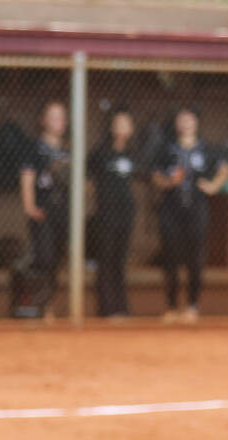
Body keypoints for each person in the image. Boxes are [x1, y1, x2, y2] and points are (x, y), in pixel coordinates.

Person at [151, 105, 228, 323]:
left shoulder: (206, 149)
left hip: (196, 209)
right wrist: (169, 182)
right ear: (176, 123)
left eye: (190, 119)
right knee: (171, 258)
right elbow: (156, 176)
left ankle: (193, 305)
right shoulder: (166, 149)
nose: (186, 123)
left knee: (195, 259)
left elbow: (224, 168)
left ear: (196, 122)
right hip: (171, 209)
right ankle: (171, 306)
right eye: (181, 119)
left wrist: (213, 186)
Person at [19, 100, 71, 319]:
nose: (57, 121)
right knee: (44, 258)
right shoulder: (34, 148)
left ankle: (49, 304)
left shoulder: (68, 149)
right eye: (52, 116)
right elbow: (27, 177)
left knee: (58, 259)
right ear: (42, 121)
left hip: (64, 210)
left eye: (61, 117)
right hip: (43, 209)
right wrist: (30, 206)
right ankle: (40, 305)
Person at [87, 109, 138, 318]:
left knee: (120, 260)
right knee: (105, 260)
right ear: (110, 126)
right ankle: (107, 309)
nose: (121, 127)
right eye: (118, 123)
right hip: (105, 213)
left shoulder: (133, 154)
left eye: (126, 123)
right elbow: (87, 179)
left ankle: (121, 308)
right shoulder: (100, 153)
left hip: (125, 214)